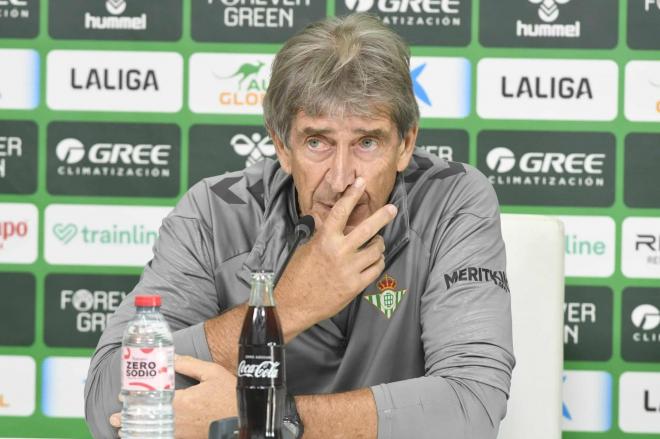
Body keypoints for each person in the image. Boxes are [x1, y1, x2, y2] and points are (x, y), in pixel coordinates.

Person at [85, 13, 515, 439]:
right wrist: (288, 306)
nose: (342, 177)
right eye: (317, 142)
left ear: (405, 144)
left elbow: (472, 407)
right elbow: (109, 403)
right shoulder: (214, 214)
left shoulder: (453, 201)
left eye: (367, 142)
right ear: (282, 146)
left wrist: (265, 416)